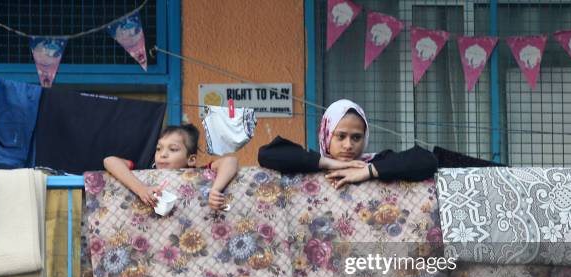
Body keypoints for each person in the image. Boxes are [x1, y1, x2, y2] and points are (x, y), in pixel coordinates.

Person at [258, 99, 437, 188]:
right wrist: (329, 163)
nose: (348, 145)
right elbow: (266, 155)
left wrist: (368, 171)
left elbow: (427, 160)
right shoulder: (308, 161)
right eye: (340, 136)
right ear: (326, 134)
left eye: (356, 137)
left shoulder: (378, 162)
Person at [104, 124, 238, 210]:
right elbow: (109, 161)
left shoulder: (199, 172)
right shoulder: (147, 171)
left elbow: (230, 161)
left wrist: (215, 189)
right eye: (158, 148)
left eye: (173, 149)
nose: (163, 155)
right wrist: (141, 189)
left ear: (191, 159)